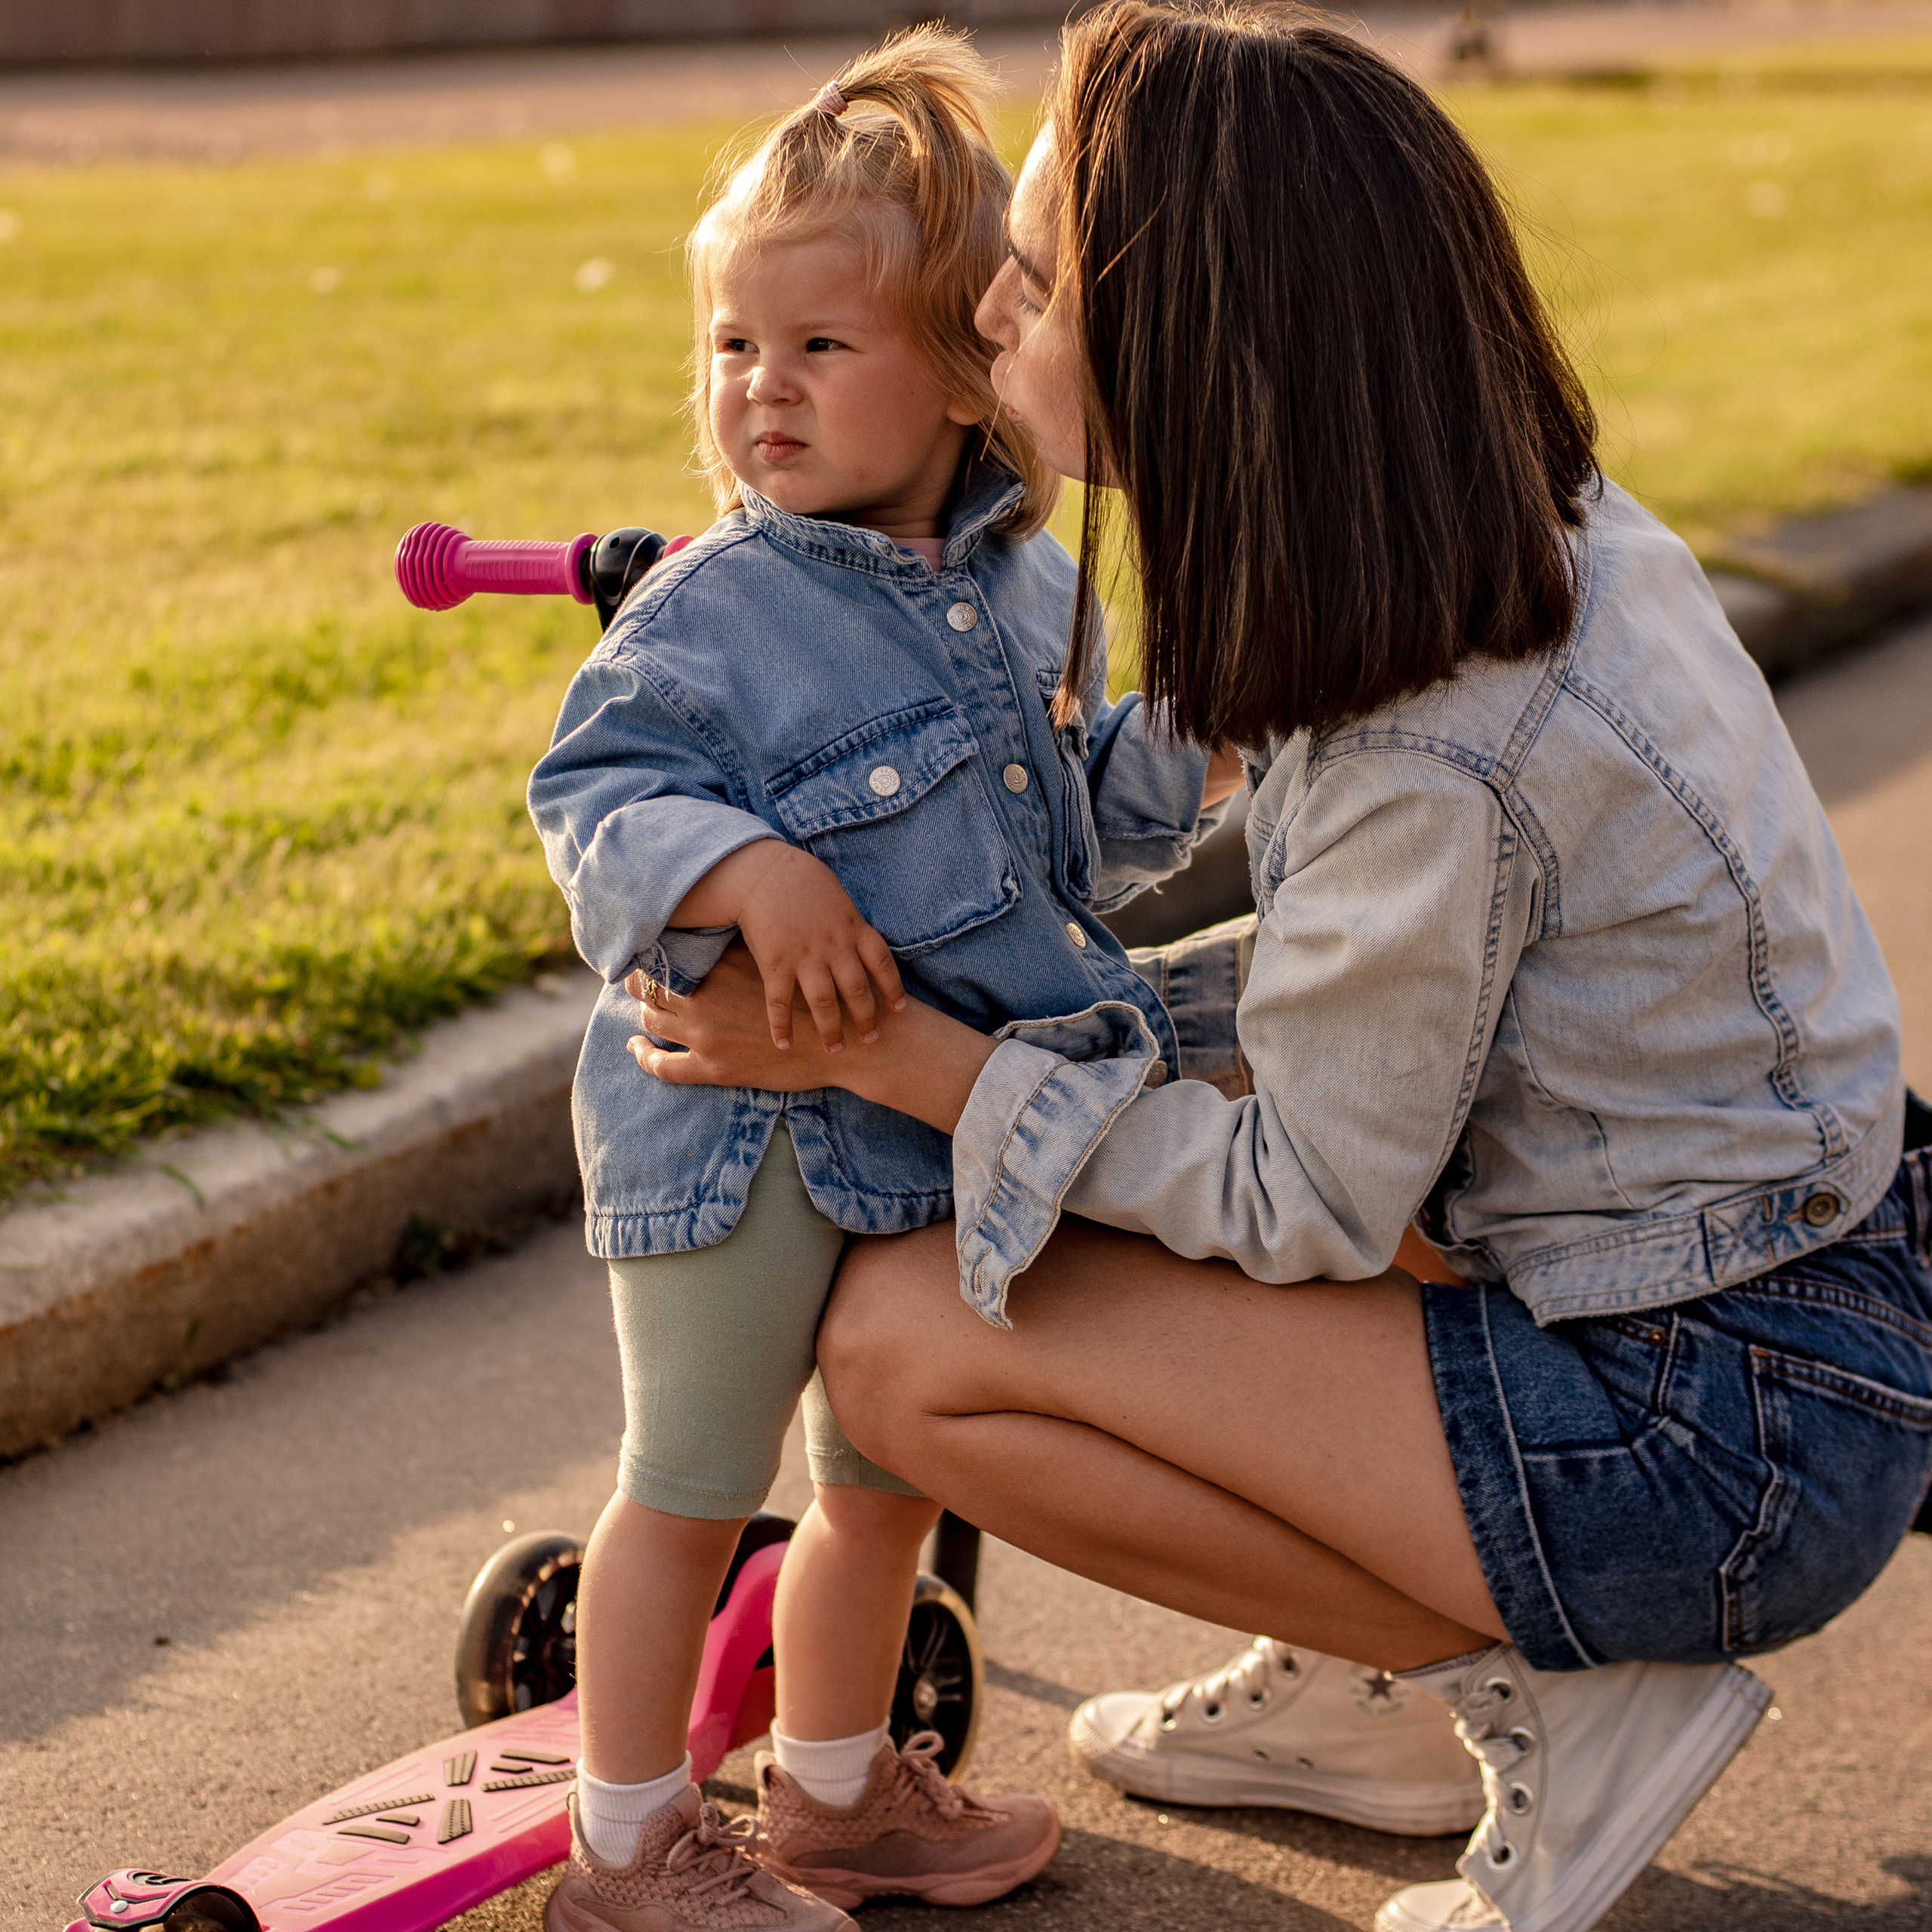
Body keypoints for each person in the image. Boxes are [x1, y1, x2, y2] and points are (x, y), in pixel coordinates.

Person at [625, 7, 1932, 1932]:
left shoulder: (1434, 729)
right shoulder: (1508, 534)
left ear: (1196, 340)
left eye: (1044, 273)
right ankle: (1376, 1693)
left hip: (1709, 1427)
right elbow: (1348, 1011)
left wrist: (902, 1050)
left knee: (902, 1351)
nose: (991, 301)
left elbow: (1302, 1195)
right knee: (1173, 1100)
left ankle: (1554, 1689)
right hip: (1764, 1298)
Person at [524, 28, 1242, 1932]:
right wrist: (745, 865)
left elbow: (1066, 831)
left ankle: (835, 1796)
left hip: (922, 1112)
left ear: (963, 365)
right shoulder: (715, 611)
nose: (760, 388)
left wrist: (1207, 737)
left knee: (883, 1485)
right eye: (734, 347)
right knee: (688, 1486)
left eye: (819, 347)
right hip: (738, 1127)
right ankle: (620, 1847)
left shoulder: (1027, 590)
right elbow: (594, 795)